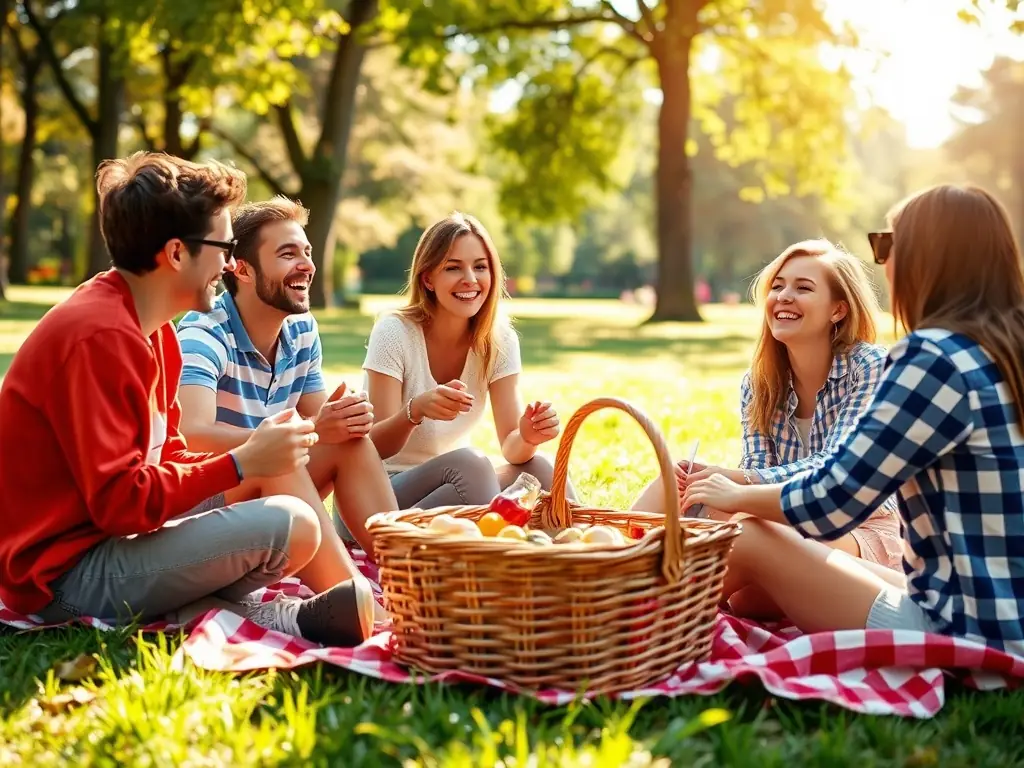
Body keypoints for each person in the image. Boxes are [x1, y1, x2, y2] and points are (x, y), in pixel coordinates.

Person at [0, 152, 374, 648]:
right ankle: (341, 620)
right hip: (64, 575)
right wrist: (239, 463)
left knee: (277, 474)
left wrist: (252, 462)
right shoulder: (97, 338)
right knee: (290, 523)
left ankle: (324, 608)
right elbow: (120, 505)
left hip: (118, 543)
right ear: (176, 253)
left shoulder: (155, 332)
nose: (228, 261)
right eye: (222, 246)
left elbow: (167, 454)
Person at [682, 183, 1024, 658]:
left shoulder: (932, 359)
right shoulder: (1004, 352)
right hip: (1000, 615)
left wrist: (735, 494)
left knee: (748, 535)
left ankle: (627, 626)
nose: (883, 261)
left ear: (929, 257)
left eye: (887, 243)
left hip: (961, 630)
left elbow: (835, 502)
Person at [632, 241, 902, 617]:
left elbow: (836, 468)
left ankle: (639, 611)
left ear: (838, 309)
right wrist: (723, 485)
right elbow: (757, 468)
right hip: (779, 518)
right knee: (672, 479)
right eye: (777, 286)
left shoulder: (871, 366)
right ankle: (605, 569)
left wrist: (739, 481)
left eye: (803, 288)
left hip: (858, 527)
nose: (784, 297)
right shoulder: (759, 383)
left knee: (745, 571)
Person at [175, 197, 398, 582]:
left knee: (350, 440)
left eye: (307, 253)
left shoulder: (300, 329)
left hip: (268, 489)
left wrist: (344, 418)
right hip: (200, 506)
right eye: (287, 253)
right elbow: (191, 436)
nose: (307, 266)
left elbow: (323, 425)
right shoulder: (204, 332)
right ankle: (359, 603)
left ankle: (409, 574)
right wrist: (310, 431)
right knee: (281, 456)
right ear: (242, 270)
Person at [362, 211, 571, 510]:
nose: (470, 280)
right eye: (453, 268)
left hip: (455, 486)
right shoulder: (394, 331)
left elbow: (512, 448)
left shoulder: (499, 340)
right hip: (378, 495)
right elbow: (373, 448)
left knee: (540, 469)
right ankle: (493, 548)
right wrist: (415, 410)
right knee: (471, 465)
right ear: (428, 279)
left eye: (480, 267)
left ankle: (580, 549)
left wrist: (527, 436)